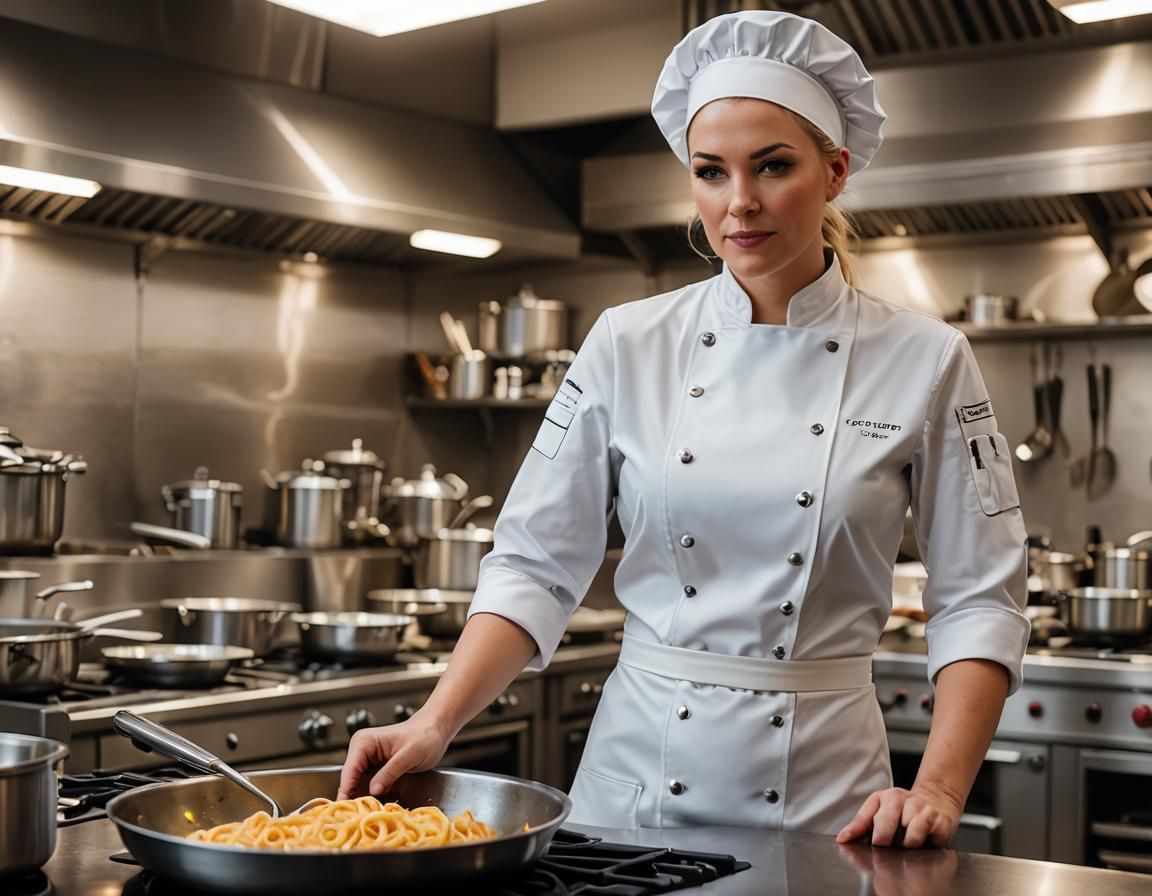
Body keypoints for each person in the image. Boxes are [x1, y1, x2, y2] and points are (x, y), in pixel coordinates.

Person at [340, 10, 1029, 849]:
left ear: (836, 170)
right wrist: (436, 720)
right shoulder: (629, 342)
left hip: (827, 801)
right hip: (631, 789)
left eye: (773, 166)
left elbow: (979, 600)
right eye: (711, 172)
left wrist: (939, 790)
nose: (738, 203)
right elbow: (534, 564)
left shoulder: (926, 358)